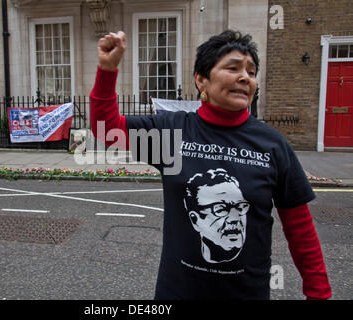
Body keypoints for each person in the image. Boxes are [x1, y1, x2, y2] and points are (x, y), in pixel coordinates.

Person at [90, 30, 331, 300]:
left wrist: (318, 293)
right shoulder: (172, 133)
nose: (245, 77)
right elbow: (106, 128)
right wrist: (107, 70)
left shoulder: (272, 144)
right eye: (233, 68)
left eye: (251, 72)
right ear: (201, 80)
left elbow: (300, 229)